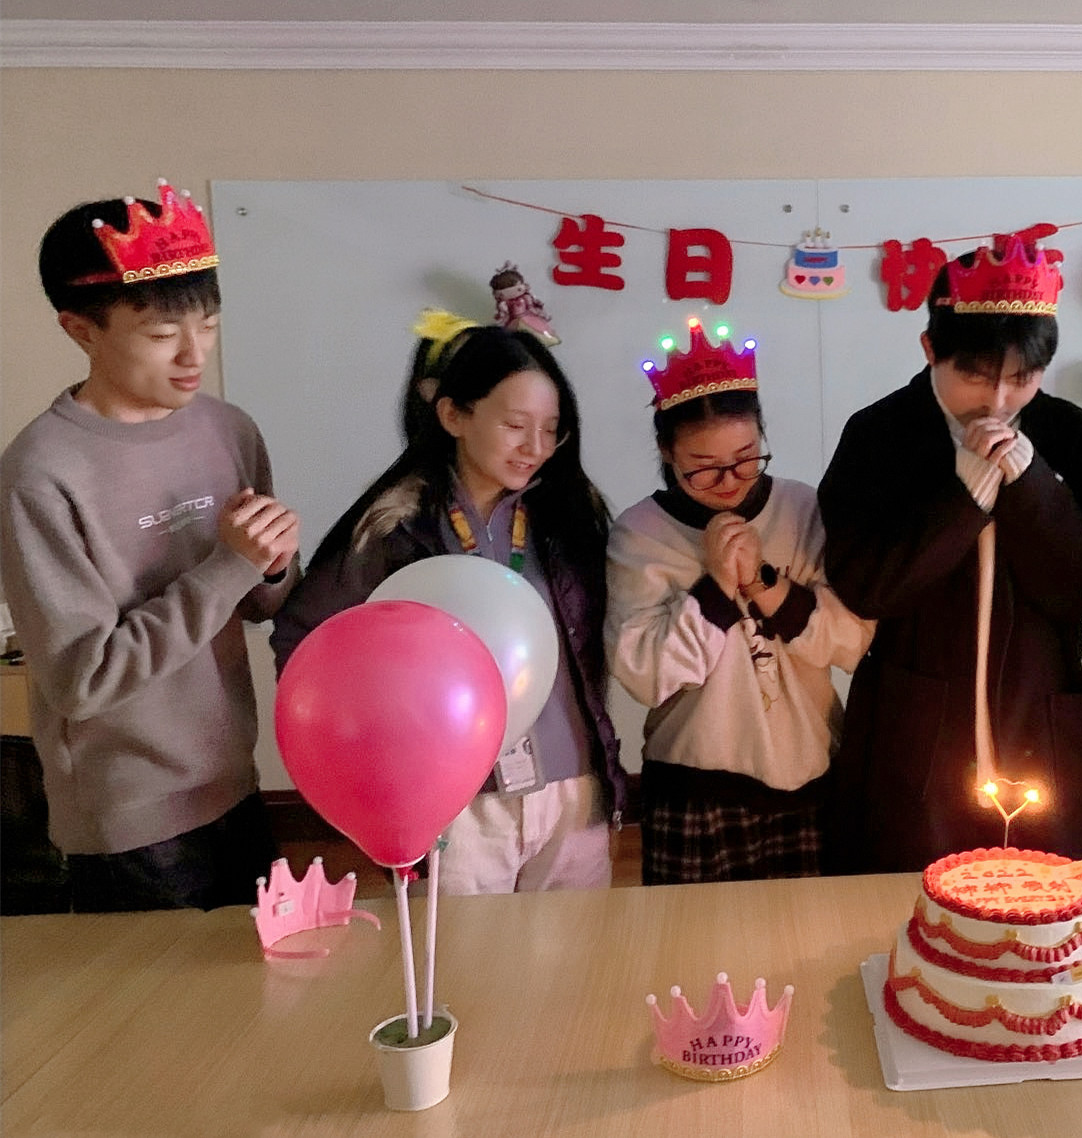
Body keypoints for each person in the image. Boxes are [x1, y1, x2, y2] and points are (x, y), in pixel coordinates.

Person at [0, 181, 302, 912]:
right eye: (163, 334)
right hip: (130, 820)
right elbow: (84, 679)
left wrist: (272, 565)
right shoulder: (41, 474)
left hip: (235, 779)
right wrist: (230, 565)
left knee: (264, 976)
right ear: (81, 330)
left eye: (208, 323)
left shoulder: (228, 430)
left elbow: (260, 604)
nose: (194, 354)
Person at [818, 225, 1082, 873]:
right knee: (906, 898)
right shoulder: (879, 434)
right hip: (916, 722)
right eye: (973, 375)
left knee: (1047, 901)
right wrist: (963, 496)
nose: (997, 401)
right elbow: (867, 585)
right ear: (929, 349)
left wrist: (1031, 486)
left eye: (1021, 378)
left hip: (1044, 716)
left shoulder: (1071, 434)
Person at [271, 314, 624, 893]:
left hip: (572, 789)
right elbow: (304, 637)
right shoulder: (395, 524)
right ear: (454, 415)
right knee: (465, 951)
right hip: (456, 804)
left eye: (551, 429)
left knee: (576, 947)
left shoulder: (570, 516)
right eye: (515, 425)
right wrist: (373, 761)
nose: (535, 448)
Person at [605, 318, 870, 884]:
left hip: (809, 772)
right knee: (697, 940)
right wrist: (716, 586)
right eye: (702, 469)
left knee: (812, 930)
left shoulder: (801, 508)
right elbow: (646, 676)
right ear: (667, 452)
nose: (729, 480)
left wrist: (765, 585)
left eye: (747, 457)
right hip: (694, 783)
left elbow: (852, 643)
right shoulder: (641, 532)